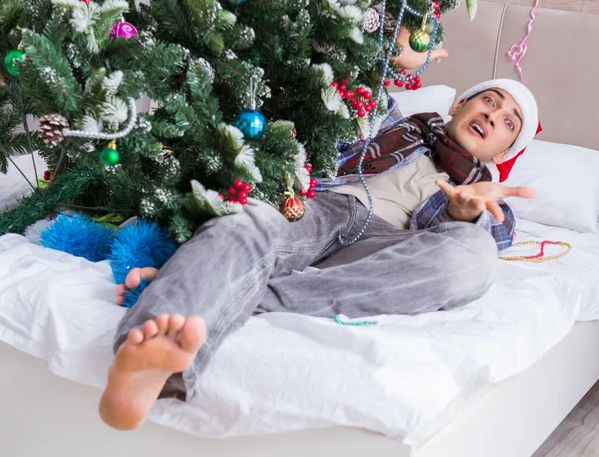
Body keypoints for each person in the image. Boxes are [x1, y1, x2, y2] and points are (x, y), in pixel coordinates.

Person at [98, 76, 539, 431]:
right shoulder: (398, 125)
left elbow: (495, 237)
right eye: (489, 100)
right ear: (460, 104)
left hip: (385, 250)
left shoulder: (488, 192)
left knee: (477, 254)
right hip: (323, 206)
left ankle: (236, 289)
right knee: (246, 220)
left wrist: (465, 214)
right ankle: (146, 368)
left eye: (509, 121)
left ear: (505, 151)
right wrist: (398, 51)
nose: (492, 114)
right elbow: (357, 82)